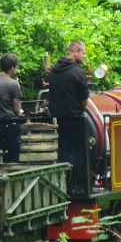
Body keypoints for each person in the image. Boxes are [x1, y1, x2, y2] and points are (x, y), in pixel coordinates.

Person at [48, 40, 91, 196]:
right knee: (80, 151)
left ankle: (64, 183)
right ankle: (80, 185)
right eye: (83, 53)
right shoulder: (78, 73)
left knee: (64, 151)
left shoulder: (53, 71)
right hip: (75, 117)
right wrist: (82, 108)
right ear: (75, 53)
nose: (84, 56)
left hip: (58, 118)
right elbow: (84, 98)